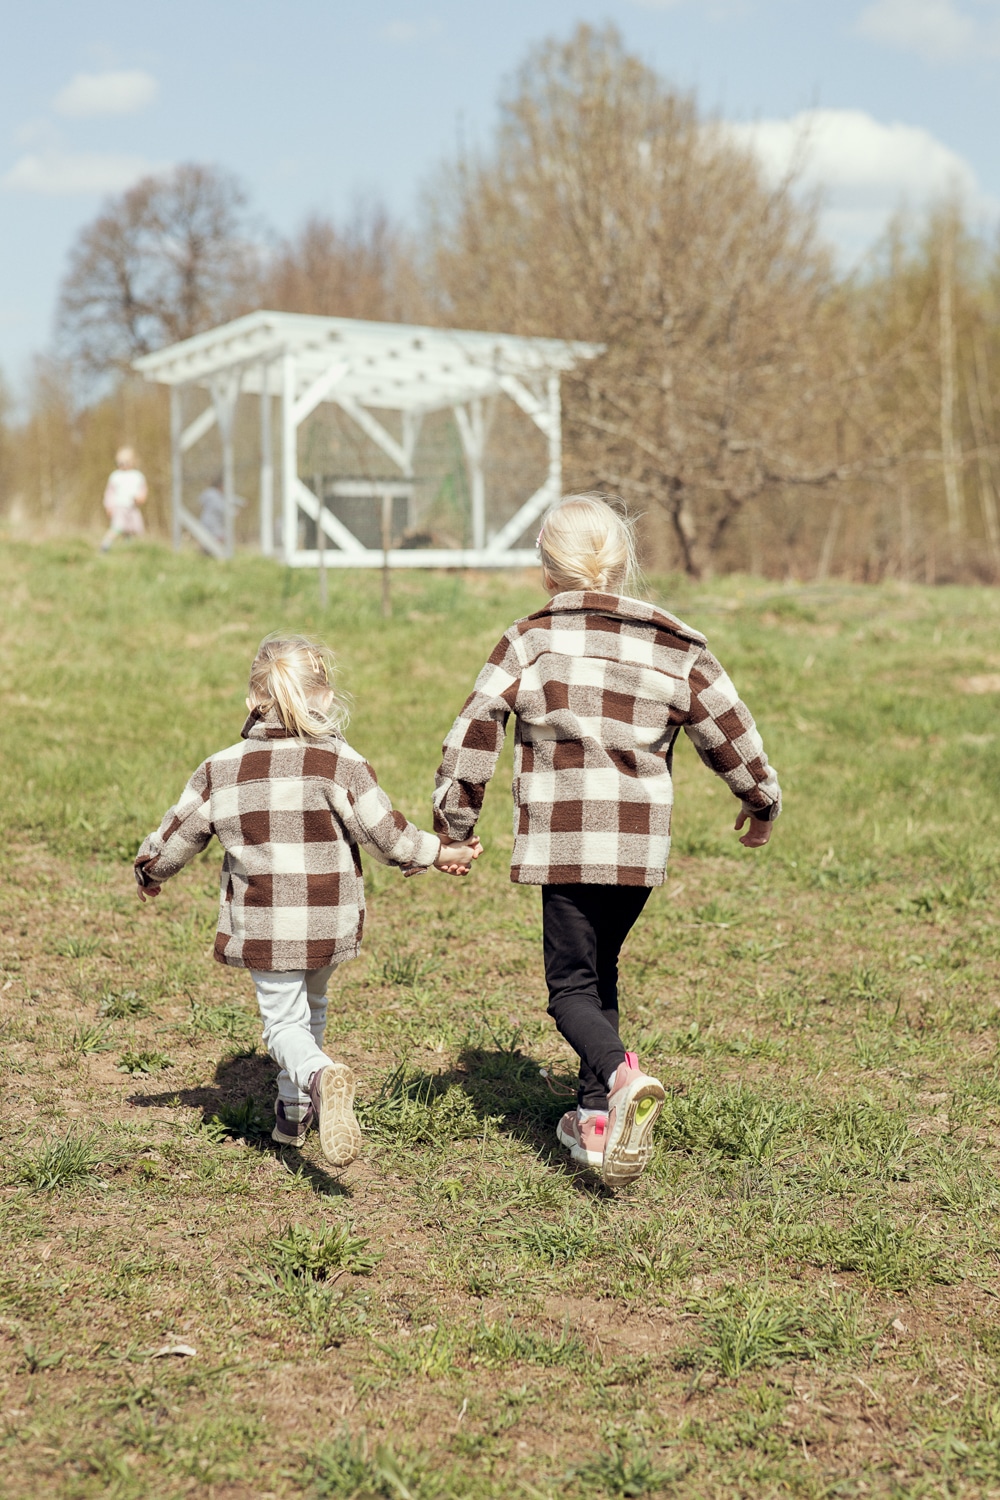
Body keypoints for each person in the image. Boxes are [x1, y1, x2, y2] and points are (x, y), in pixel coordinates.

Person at [433, 496, 781, 1188]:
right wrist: (760, 796)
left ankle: (622, 1078)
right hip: (636, 850)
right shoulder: (676, 643)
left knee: (569, 989)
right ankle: (595, 1118)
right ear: (623, 565)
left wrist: (455, 820)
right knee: (601, 971)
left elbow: (475, 729)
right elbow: (728, 726)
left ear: (546, 571)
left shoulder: (529, 640)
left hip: (565, 842)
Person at [134, 633, 478, 1166]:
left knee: (282, 1025)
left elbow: (179, 834)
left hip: (266, 924)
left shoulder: (221, 768)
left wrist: (150, 870)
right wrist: (439, 852)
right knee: (311, 1007)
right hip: (328, 920)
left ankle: (317, 1077)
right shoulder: (339, 761)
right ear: (325, 697)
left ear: (252, 699)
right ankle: (294, 1113)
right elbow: (386, 835)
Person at [100, 447, 148, 553]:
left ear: (133, 461)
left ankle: (128, 550)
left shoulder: (137, 476)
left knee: (133, 529)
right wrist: (109, 506)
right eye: (119, 462)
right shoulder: (115, 476)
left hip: (133, 507)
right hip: (119, 507)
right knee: (117, 527)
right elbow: (109, 493)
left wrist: (140, 498)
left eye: (126, 462)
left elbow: (143, 490)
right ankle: (105, 545)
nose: (122, 464)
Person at [197, 476, 245, 550]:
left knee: (218, 537)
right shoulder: (212, 495)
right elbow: (220, 507)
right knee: (220, 537)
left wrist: (242, 502)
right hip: (212, 521)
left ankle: (209, 551)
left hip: (213, 520)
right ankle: (209, 551)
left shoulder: (217, 494)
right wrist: (233, 512)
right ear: (220, 485)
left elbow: (230, 498)